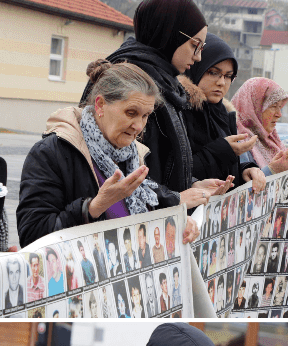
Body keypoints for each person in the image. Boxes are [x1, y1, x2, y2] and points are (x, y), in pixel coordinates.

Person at [18, 61, 208, 245]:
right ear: (100, 105)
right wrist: (93, 207)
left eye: (145, 115)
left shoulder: (133, 154)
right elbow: (32, 235)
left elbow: (145, 210)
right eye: (131, 113)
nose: (139, 126)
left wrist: (174, 223)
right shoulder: (51, 153)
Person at [78, 0, 217, 194]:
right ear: (170, 34)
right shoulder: (134, 79)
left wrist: (190, 183)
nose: (198, 57)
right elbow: (118, 172)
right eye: (195, 45)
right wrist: (175, 199)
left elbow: (162, 165)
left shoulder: (167, 83)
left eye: (202, 47)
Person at [178, 34, 265, 191]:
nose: (221, 82)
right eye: (213, 72)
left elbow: (226, 171)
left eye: (228, 76)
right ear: (196, 67)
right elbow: (174, 173)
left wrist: (246, 170)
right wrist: (223, 151)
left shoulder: (224, 114)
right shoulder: (179, 110)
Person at [234, 77, 288, 173]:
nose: (279, 114)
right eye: (273, 106)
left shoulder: (273, 140)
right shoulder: (238, 141)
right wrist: (272, 170)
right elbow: (242, 185)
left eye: (280, 107)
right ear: (253, 108)